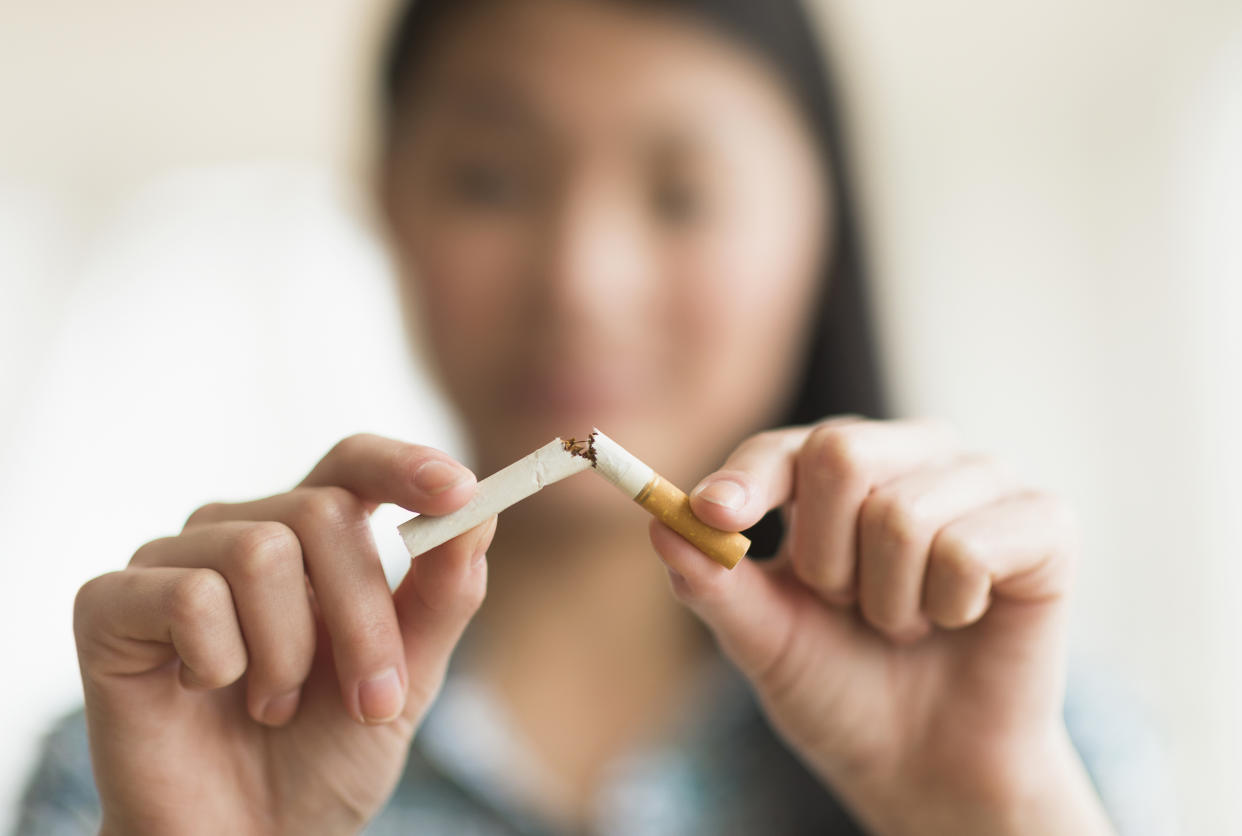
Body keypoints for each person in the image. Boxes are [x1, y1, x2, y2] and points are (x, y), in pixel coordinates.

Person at [16, 0, 1171, 833]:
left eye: (683, 195)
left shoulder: (1037, 737)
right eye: (491, 180)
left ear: (817, 223)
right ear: (386, 202)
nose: (583, 279)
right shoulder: (166, 741)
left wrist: (982, 811)